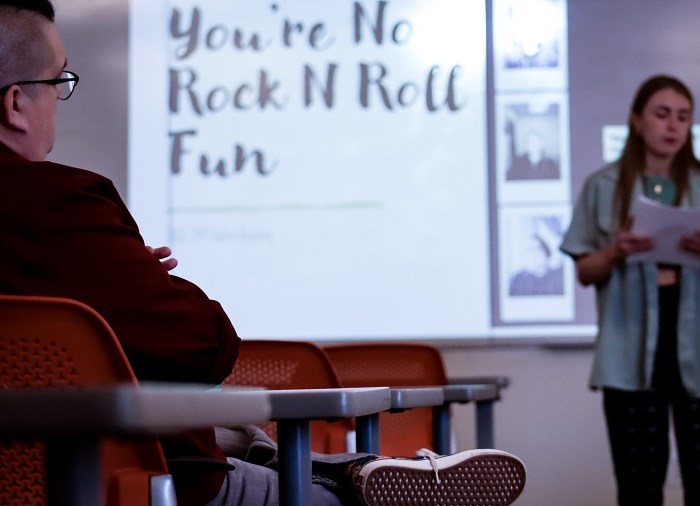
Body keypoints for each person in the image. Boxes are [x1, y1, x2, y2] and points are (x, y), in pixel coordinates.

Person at [0, 1, 526, 505]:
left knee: (242, 437)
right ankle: (365, 482)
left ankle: (344, 469)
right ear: (17, 103)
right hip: (123, 482)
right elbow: (202, 347)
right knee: (312, 490)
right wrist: (141, 286)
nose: (59, 101)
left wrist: (115, 281)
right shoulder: (56, 204)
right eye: (58, 82)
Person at [561, 74, 700, 506]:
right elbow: (584, 270)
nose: (673, 126)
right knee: (639, 484)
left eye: (683, 117)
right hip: (630, 343)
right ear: (637, 120)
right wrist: (615, 251)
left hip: (694, 340)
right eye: (662, 115)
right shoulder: (603, 185)